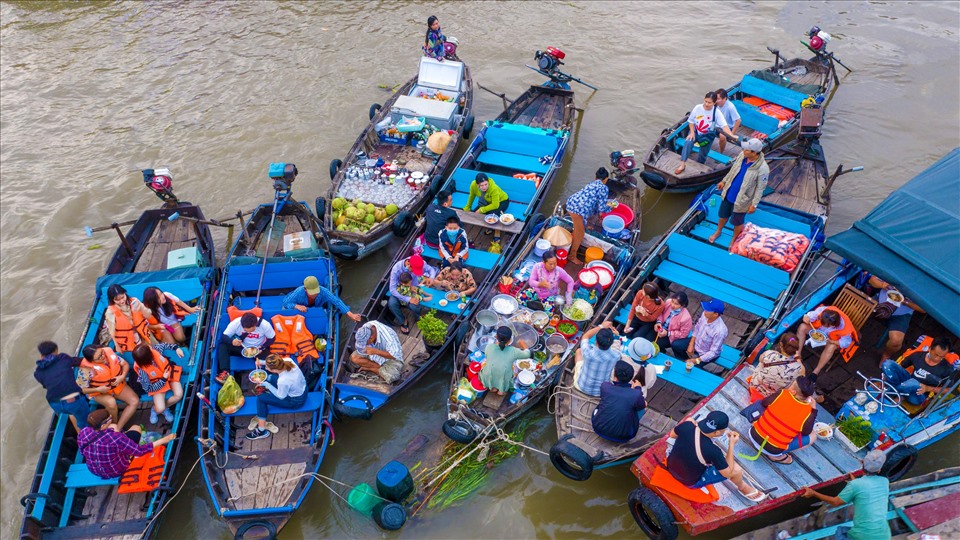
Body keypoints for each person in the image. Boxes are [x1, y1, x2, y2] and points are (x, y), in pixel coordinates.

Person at [665, 411, 766, 501]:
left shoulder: (687, 425)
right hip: (688, 480)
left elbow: (672, 435)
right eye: (723, 431)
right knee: (736, 469)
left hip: (671, 466)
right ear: (717, 432)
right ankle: (743, 487)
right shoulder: (714, 451)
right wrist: (731, 445)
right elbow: (727, 473)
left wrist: (691, 423)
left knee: (690, 423)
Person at [803, 450, 892, 540]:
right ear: (879, 469)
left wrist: (813, 493)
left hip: (863, 536)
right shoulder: (884, 481)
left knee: (840, 532)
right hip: (884, 535)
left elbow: (835, 502)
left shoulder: (856, 484)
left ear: (862, 463)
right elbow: (868, 490)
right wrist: (855, 482)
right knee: (843, 532)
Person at [78, 409, 176, 479]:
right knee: (136, 428)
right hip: (117, 470)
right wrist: (164, 440)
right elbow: (139, 451)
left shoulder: (83, 432)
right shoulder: (116, 438)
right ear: (103, 425)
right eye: (109, 419)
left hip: (95, 471)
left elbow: (83, 452)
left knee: (115, 428)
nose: (111, 418)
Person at [707, 138, 769, 248]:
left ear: (754, 153)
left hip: (742, 200)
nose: (743, 150)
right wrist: (724, 181)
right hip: (729, 192)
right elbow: (733, 170)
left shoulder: (763, 168)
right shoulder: (742, 156)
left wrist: (754, 204)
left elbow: (760, 188)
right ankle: (718, 231)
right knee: (723, 215)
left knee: (737, 221)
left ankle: (734, 238)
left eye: (746, 150)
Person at [748, 376, 818, 465]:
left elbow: (764, 403)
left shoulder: (782, 393)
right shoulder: (808, 411)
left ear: (793, 391)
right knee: (813, 435)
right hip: (773, 450)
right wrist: (814, 410)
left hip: (753, 434)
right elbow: (806, 432)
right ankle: (775, 456)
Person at [673, 91, 739, 176]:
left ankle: (698, 168)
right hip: (696, 132)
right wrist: (692, 132)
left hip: (707, 136)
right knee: (688, 143)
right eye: (706, 101)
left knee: (703, 154)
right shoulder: (697, 108)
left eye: (709, 102)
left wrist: (732, 135)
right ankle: (682, 165)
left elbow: (724, 126)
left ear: (714, 103)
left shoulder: (716, 112)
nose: (707, 104)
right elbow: (691, 121)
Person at [78, 344, 142, 429]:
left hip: (116, 385)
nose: (103, 356)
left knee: (134, 401)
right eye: (99, 357)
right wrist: (98, 389)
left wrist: (122, 376)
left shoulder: (108, 354)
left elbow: (125, 364)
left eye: (102, 352)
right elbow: (81, 390)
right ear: (91, 361)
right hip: (98, 393)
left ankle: (117, 428)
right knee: (111, 403)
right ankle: (113, 424)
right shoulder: (86, 370)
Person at [245, 354, 307, 440]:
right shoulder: (288, 360)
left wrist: (267, 385)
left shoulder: (283, 381)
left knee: (261, 398)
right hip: (303, 389)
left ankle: (261, 430)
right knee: (269, 377)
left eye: (267, 367)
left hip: (295, 401)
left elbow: (281, 396)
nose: (266, 368)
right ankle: (266, 393)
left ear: (274, 369)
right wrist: (261, 362)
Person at [866, 275, 926, 362]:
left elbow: (923, 309)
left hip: (901, 314)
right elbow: (872, 280)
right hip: (880, 301)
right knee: (854, 310)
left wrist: (904, 301)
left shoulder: (924, 286)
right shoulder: (897, 271)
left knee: (896, 342)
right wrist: (883, 285)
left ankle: (886, 354)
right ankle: (853, 335)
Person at [880, 337, 956, 405]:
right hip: (907, 383)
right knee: (888, 364)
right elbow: (900, 367)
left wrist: (927, 388)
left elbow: (949, 389)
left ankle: (889, 391)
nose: (937, 358)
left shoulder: (947, 369)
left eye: (941, 356)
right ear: (930, 348)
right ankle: (898, 392)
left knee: (914, 383)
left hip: (918, 395)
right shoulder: (917, 356)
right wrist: (887, 378)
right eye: (936, 355)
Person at [34, 341, 90, 432]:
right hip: (74, 402)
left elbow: (47, 386)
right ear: (56, 351)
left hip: (55, 404)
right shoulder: (63, 358)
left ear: (41, 355)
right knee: (86, 423)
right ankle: (87, 439)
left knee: (72, 413)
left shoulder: (38, 372)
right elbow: (78, 361)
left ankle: (80, 436)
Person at [565, 167, 612, 265]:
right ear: (606, 179)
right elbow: (602, 207)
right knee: (580, 233)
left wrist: (599, 212)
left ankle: (572, 242)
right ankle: (572, 256)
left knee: (578, 228)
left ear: (596, 177)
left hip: (570, 203)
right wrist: (610, 207)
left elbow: (593, 201)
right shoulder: (604, 188)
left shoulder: (591, 184)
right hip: (578, 210)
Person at [592, 360, 647, 442]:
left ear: (615, 377)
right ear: (630, 378)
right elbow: (642, 405)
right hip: (625, 436)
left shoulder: (605, 387)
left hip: (598, 428)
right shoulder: (635, 394)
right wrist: (638, 388)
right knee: (644, 404)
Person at [132, 343, 185, 424]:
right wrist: (163, 380)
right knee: (160, 408)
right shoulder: (142, 371)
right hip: (157, 382)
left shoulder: (154, 349)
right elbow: (148, 388)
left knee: (179, 395)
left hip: (169, 373)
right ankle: (156, 409)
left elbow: (164, 345)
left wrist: (176, 348)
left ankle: (165, 408)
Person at [672, 299, 728, 374]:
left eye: (708, 310)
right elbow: (697, 328)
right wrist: (691, 344)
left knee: (693, 371)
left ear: (716, 314)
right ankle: (685, 360)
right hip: (696, 343)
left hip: (706, 352)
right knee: (675, 345)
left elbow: (713, 352)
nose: (705, 310)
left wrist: (696, 360)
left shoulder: (720, 331)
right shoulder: (705, 315)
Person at [795, 305, 856, 375]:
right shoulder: (824, 311)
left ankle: (816, 372)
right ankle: (797, 356)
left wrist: (832, 341)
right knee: (802, 327)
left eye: (825, 325)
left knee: (832, 347)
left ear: (832, 326)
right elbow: (811, 315)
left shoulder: (844, 328)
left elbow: (846, 342)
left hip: (831, 338)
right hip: (818, 331)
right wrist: (807, 318)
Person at [388, 254, 438, 334]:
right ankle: (403, 321)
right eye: (413, 270)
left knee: (415, 305)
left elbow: (431, 269)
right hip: (400, 290)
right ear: (408, 264)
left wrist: (431, 278)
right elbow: (392, 289)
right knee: (391, 304)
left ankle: (417, 315)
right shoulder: (396, 269)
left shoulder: (420, 262)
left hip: (414, 288)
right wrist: (408, 299)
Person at [574, 323, 627, 396]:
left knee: (579, 351)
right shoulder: (616, 356)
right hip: (600, 392)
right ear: (611, 343)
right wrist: (617, 336)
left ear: (596, 341)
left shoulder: (587, 352)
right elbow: (617, 347)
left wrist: (601, 326)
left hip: (581, 386)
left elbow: (585, 336)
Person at [748, 333, 804, 400]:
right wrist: (797, 357)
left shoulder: (770, 354)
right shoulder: (798, 367)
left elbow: (760, 359)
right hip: (770, 397)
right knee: (792, 378)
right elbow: (803, 374)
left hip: (754, 386)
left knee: (762, 361)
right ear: (796, 349)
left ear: (781, 344)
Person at [281, 275, 361, 322]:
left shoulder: (323, 291)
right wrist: (296, 306)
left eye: (316, 292)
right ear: (305, 289)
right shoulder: (299, 292)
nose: (314, 295)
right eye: (311, 292)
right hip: (298, 311)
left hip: (314, 309)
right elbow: (285, 302)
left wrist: (350, 314)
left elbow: (336, 301)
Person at [480, 326, 531, 396]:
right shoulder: (513, 351)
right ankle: (501, 391)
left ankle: (493, 388)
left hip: (488, 374)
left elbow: (488, 357)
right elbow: (528, 354)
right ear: (510, 340)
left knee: (492, 374)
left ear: (496, 337)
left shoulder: (489, 347)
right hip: (503, 377)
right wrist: (524, 345)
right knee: (505, 376)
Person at [104, 284, 155, 353]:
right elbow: (112, 332)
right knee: (140, 354)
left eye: (122, 297)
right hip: (130, 339)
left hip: (143, 333)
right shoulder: (110, 312)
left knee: (154, 348)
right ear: (112, 300)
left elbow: (148, 315)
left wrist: (141, 307)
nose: (122, 301)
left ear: (125, 293)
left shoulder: (134, 301)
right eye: (117, 300)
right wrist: (117, 346)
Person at [463, 173, 509, 242]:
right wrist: (468, 207)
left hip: (502, 201)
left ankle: (497, 233)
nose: (484, 187)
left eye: (486, 184)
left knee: (493, 214)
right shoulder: (473, 185)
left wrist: (482, 210)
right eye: (481, 185)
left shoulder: (494, 188)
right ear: (477, 184)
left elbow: (495, 205)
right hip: (487, 201)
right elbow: (471, 196)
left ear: (488, 182)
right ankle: (489, 227)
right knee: (475, 214)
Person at [653, 291, 693, 357]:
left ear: (682, 305)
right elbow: (661, 312)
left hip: (672, 336)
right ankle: (662, 351)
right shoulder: (668, 302)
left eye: (676, 304)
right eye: (672, 301)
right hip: (661, 328)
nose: (672, 305)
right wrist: (658, 322)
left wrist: (668, 333)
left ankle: (662, 354)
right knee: (649, 337)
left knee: (657, 343)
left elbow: (683, 334)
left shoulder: (686, 318)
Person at [714, 88, 741, 153]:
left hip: (727, 127)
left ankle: (720, 152)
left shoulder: (730, 107)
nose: (716, 101)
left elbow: (738, 120)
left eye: (718, 99)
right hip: (716, 125)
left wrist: (731, 134)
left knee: (722, 136)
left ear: (725, 98)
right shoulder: (714, 104)